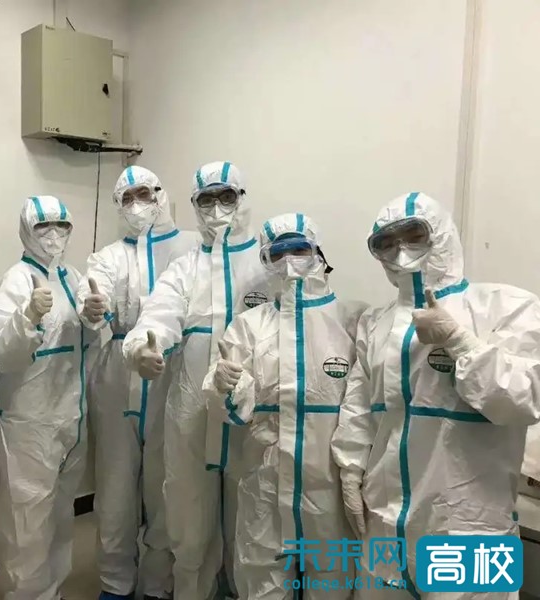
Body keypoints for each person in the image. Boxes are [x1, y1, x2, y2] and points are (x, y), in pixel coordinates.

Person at [331, 192, 540, 599]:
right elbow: (359, 408)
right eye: (386, 243)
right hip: (386, 522)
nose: (401, 251)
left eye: (414, 236)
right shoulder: (375, 323)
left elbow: (525, 399)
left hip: (468, 526)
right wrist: (350, 471)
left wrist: (461, 343)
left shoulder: (504, 307)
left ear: (442, 234)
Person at [123, 162, 269, 599]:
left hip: (253, 412)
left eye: (227, 196)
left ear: (243, 198)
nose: (217, 207)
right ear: (193, 205)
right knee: (189, 517)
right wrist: (142, 348)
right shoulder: (185, 268)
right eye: (207, 199)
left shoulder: (265, 264)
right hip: (191, 412)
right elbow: (159, 315)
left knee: (251, 519)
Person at [203, 214, 360, 600]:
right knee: (262, 579)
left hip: (329, 482)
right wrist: (225, 387)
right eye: (278, 252)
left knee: (332, 580)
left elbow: (366, 409)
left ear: (317, 253)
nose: (289, 260)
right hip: (265, 480)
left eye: (299, 249)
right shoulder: (249, 325)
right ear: (265, 259)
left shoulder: (352, 320)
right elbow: (228, 405)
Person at [77, 166, 198, 600]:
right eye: (126, 198)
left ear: (161, 195)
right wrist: (91, 308)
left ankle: (158, 584)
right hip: (117, 373)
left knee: (168, 485)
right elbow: (93, 291)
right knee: (115, 488)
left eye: (143, 193)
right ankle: (115, 583)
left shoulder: (191, 247)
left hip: (173, 368)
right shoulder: (109, 256)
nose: (136, 204)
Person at [0, 196, 94, 600]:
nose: (53, 235)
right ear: (26, 231)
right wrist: (27, 317)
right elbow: (5, 354)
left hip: (70, 415)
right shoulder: (15, 281)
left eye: (61, 226)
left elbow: (85, 341)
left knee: (61, 516)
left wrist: (96, 316)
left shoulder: (72, 276)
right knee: (27, 519)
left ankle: (52, 591)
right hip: (29, 420)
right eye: (43, 226)